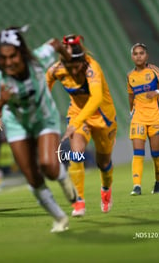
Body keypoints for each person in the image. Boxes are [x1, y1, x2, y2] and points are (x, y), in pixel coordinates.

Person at [0, 26, 78, 233]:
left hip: (44, 118)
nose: (8, 62)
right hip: (17, 124)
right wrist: (1, 100)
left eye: (13, 56)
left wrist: (67, 58)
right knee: (32, 176)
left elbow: (54, 42)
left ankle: (63, 178)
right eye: (3, 57)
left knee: (48, 166)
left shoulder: (37, 60)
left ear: (22, 53)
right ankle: (60, 218)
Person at [46, 34, 117, 217]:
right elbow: (42, 90)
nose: (74, 70)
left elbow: (96, 99)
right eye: (70, 66)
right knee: (76, 155)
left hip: (102, 118)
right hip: (78, 115)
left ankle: (106, 189)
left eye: (76, 64)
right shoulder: (56, 70)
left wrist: (75, 123)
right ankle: (79, 202)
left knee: (104, 163)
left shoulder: (92, 68)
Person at [127, 43, 159, 195]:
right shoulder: (130, 76)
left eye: (141, 53)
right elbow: (130, 94)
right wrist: (131, 111)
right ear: (132, 57)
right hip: (138, 117)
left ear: (146, 56)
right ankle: (136, 186)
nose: (138, 56)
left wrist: (157, 91)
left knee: (156, 153)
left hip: (155, 118)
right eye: (135, 53)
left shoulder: (154, 70)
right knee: (138, 152)